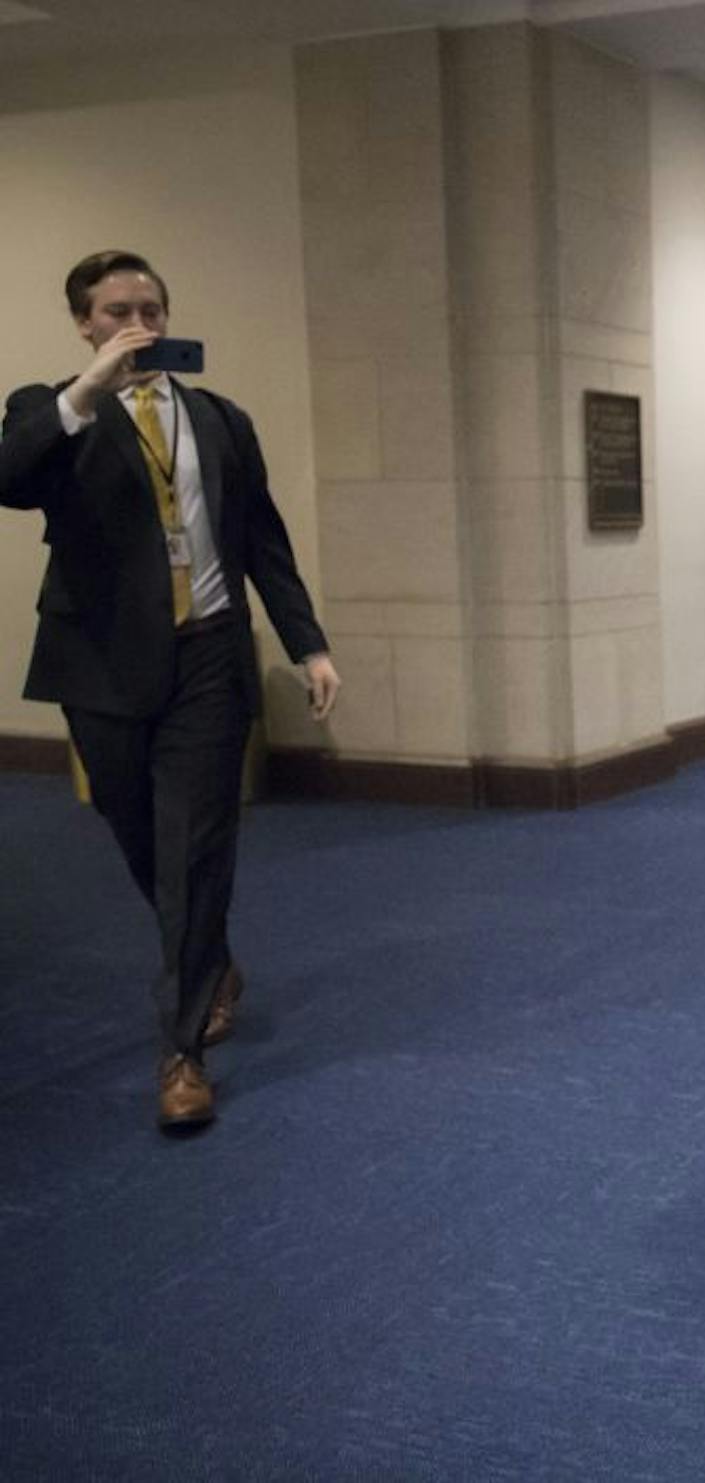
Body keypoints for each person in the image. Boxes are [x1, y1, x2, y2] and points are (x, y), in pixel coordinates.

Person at [0, 250, 341, 1131]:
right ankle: (209, 956)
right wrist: (88, 391)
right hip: (101, 663)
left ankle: (182, 1051)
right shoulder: (49, 410)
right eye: (117, 311)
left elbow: (261, 540)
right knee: (141, 836)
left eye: (150, 309)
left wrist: (308, 644)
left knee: (195, 846)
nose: (138, 324)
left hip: (208, 658)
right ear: (84, 323)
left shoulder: (220, 419)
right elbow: (9, 480)